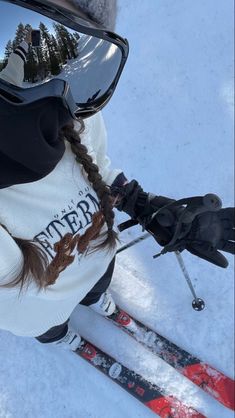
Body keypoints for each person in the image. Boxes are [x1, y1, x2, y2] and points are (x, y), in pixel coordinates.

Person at [0, 0, 234, 352]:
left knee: (96, 285)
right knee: (49, 325)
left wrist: (145, 206)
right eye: (15, 35)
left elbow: (100, 171)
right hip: (40, 315)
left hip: (97, 262)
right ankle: (60, 336)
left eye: (76, 62)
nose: (51, 86)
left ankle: (97, 301)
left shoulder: (75, 117)